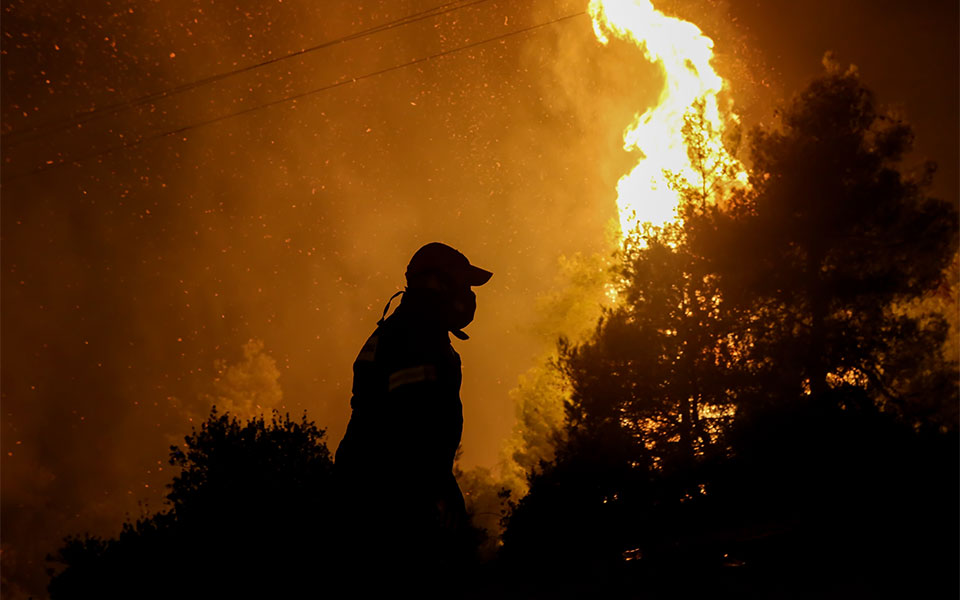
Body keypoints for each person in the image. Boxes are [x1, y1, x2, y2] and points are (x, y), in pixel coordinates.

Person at [334, 242, 492, 590]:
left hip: (369, 495)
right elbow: (411, 423)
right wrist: (438, 487)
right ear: (439, 283)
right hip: (390, 507)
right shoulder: (417, 337)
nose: (468, 296)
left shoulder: (399, 330)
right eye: (463, 284)